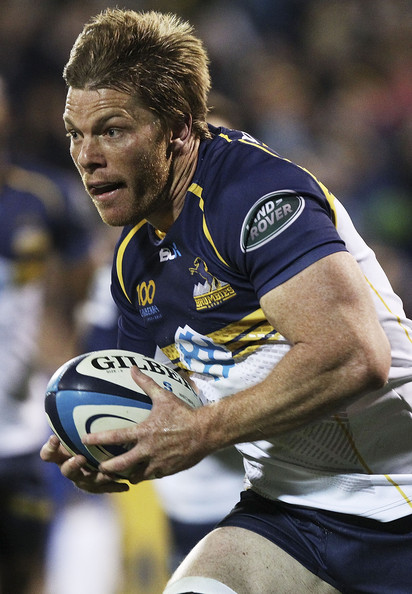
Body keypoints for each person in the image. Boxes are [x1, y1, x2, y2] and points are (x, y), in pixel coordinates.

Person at [40, 9, 412, 594]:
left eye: (111, 129)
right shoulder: (133, 258)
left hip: (401, 497)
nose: (87, 155)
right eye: (75, 134)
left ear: (180, 127)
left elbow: (355, 357)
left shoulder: (254, 198)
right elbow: (159, 407)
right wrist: (106, 447)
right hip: (290, 513)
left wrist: (200, 431)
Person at [0, 73, 94, 593]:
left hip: (18, 434)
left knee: (29, 572)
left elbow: (74, 291)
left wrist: (60, 350)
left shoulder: (43, 201)